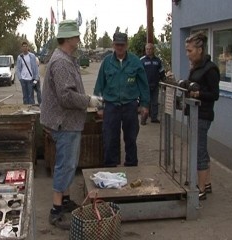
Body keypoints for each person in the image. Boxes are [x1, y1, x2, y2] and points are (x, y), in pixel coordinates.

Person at [40, 20, 102, 230]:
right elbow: (66, 96)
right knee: (65, 165)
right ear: (67, 39)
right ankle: (56, 211)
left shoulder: (66, 59)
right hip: (64, 122)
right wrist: (89, 100)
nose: (79, 38)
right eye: (76, 35)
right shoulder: (62, 62)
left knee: (68, 164)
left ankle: (65, 202)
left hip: (66, 122)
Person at [94, 32, 150, 167]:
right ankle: (110, 167)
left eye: (122, 45)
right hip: (111, 106)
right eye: (117, 45)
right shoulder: (106, 62)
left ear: (127, 45)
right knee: (110, 139)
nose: (119, 48)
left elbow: (143, 85)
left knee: (131, 139)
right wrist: (100, 107)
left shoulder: (135, 62)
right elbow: (99, 86)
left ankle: (131, 166)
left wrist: (144, 104)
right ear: (113, 45)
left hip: (130, 106)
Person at [184, 31, 220, 200]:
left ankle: (200, 189)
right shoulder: (196, 67)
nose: (187, 54)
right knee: (201, 149)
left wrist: (197, 95)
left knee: (199, 151)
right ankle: (207, 183)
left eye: (190, 51)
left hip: (203, 115)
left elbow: (214, 94)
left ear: (199, 49)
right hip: (194, 113)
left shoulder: (211, 69)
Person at [140, 43, 166, 124]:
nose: (148, 50)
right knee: (145, 102)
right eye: (147, 49)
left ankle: (154, 118)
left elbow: (161, 72)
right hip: (145, 86)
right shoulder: (142, 60)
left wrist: (164, 80)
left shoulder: (158, 60)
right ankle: (143, 119)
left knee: (154, 102)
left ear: (153, 49)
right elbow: (138, 73)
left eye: (150, 49)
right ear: (145, 50)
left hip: (155, 85)